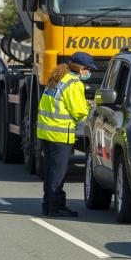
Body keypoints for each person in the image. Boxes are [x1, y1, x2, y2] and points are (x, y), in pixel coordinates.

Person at [37, 52, 94, 217]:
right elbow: (78, 111)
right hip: (61, 134)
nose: (88, 73)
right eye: (88, 69)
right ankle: (56, 207)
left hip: (46, 132)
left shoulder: (57, 78)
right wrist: (89, 108)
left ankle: (47, 205)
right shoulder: (74, 83)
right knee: (58, 174)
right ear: (81, 68)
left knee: (50, 172)